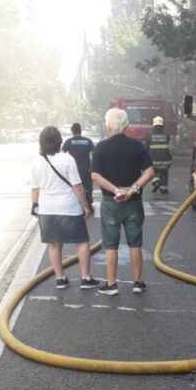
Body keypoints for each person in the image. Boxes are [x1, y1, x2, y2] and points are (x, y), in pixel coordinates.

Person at [91, 107, 155, 295]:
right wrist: (133, 188)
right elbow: (150, 171)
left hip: (110, 202)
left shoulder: (101, 147)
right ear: (126, 125)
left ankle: (111, 284)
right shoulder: (137, 146)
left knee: (111, 244)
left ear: (108, 125)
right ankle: (138, 282)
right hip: (133, 201)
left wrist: (116, 190)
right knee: (135, 242)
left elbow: (95, 175)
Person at [30, 126, 100, 290]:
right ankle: (85, 278)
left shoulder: (36, 162)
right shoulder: (67, 159)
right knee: (81, 242)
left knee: (54, 244)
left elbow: (34, 189)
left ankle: (60, 279)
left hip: (47, 209)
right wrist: (85, 205)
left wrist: (35, 207)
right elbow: (77, 185)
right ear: (59, 141)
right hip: (69, 208)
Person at [62, 122, 95, 208]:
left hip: (73, 170)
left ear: (72, 131)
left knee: (75, 186)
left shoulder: (69, 141)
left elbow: (62, 154)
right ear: (81, 130)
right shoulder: (88, 141)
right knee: (88, 187)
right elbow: (93, 155)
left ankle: (78, 204)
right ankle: (89, 204)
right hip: (86, 169)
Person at [146, 115, 172, 194]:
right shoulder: (167, 135)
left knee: (153, 171)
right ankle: (164, 188)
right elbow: (169, 147)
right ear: (162, 125)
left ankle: (156, 181)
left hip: (153, 160)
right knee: (164, 173)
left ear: (153, 125)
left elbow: (146, 148)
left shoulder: (149, 135)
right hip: (165, 160)